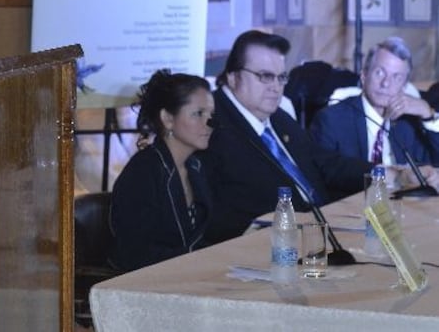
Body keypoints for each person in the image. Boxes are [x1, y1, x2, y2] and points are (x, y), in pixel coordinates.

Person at [194, 30, 373, 245]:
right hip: (269, 246)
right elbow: (216, 209)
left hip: (323, 231)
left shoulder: (278, 117)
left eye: (281, 77)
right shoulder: (211, 124)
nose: (275, 87)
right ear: (233, 77)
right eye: (265, 76)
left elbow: (324, 162)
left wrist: (381, 174)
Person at [110, 70, 215, 272]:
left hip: (188, 278)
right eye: (198, 114)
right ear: (167, 118)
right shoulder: (142, 174)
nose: (209, 123)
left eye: (211, 115)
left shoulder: (196, 167)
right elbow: (136, 255)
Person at [309, 37, 439, 189]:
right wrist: (392, 175)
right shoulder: (332, 119)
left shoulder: (408, 121)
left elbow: (433, 163)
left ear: (404, 86)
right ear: (364, 76)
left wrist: (428, 115)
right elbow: (329, 172)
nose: (386, 83)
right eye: (379, 72)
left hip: (406, 206)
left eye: (396, 77)